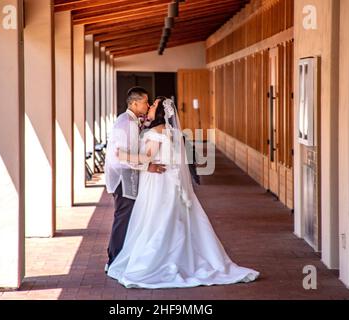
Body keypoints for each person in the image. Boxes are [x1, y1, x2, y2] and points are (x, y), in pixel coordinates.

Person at [106, 97, 259, 289]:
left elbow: (147, 156)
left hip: (158, 183)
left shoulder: (156, 131)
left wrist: (122, 155)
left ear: (159, 111)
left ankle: (160, 260)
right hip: (169, 181)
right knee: (172, 218)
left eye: (153, 105)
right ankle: (181, 255)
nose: (150, 107)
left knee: (156, 219)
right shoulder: (174, 132)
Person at [104, 87, 166, 272]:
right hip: (124, 176)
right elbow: (125, 156)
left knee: (127, 217)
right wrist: (149, 167)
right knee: (123, 218)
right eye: (146, 102)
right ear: (134, 103)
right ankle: (114, 260)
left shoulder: (130, 120)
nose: (148, 105)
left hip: (126, 175)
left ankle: (118, 257)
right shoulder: (127, 123)